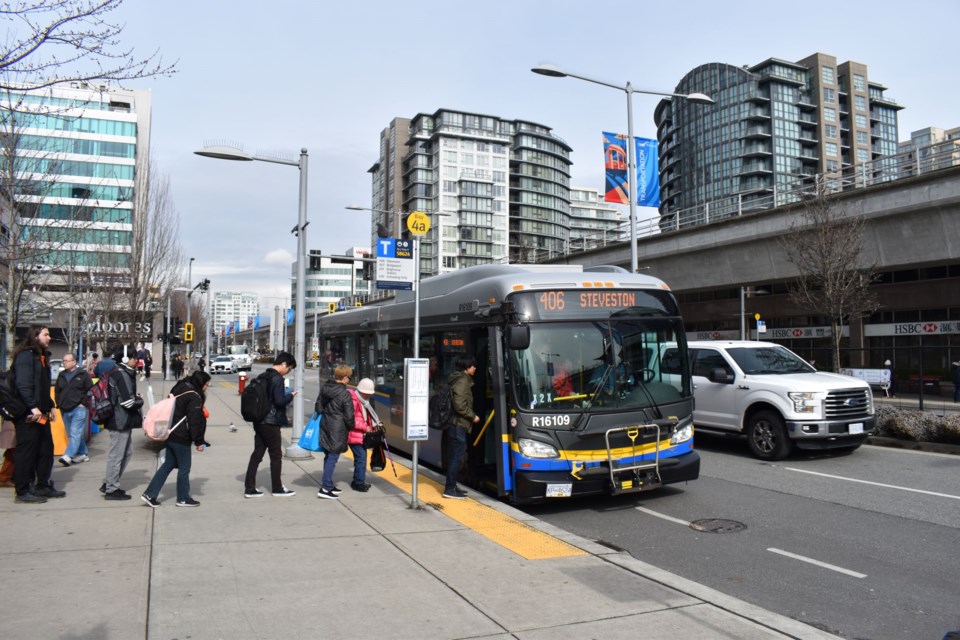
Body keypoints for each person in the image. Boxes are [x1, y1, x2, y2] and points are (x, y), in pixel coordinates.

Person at [141, 371, 211, 508]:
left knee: (167, 465)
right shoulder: (194, 397)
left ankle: (150, 494)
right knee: (184, 468)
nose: (207, 387)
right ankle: (183, 498)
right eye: (206, 384)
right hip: (181, 436)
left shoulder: (180, 388)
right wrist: (199, 441)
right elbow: (194, 421)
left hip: (170, 432)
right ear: (200, 383)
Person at [12, 326, 63, 503]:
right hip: (28, 414)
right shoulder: (26, 356)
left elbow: (42, 387)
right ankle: (23, 490)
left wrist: (50, 406)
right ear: (35, 337)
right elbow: (23, 385)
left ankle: (42, 484)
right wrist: (33, 408)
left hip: (42, 413)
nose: (49, 338)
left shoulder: (42, 357)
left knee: (45, 449)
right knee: (27, 452)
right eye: (46, 334)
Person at [243, 352, 298, 497]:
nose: (288, 371)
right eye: (289, 368)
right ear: (284, 364)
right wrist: (290, 396)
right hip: (271, 422)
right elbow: (279, 401)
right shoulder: (277, 378)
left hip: (259, 420)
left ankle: (249, 488)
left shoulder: (263, 376)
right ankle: (277, 488)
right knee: (276, 455)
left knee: (257, 454)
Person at [99, 347, 143, 501]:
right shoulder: (122, 374)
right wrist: (139, 400)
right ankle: (111, 488)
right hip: (119, 420)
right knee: (117, 455)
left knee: (126, 452)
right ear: (125, 359)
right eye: (134, 357)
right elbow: (128, 402)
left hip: (121, 419)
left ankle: (110, 482)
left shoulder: (120, 373)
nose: (136, 360)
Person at [315, 364, 355, 500]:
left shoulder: (325, 388)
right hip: (338, 429)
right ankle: (325, 488)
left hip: (325, 425)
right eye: (349, 377)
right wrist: (351, 427)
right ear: (344, 378)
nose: (349, 380)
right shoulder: (344, 394)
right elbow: (349, 416)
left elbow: (318, 407)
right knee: (333, 457)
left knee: (328, 455)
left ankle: (329, 484)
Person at [444, 356, 480, 500]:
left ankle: (452, 485)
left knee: (456, 456)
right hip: (459, 424)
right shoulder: (463, 381)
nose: (475, 368)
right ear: (467, 367)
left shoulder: (459, 379)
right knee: (456, 458)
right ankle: (449, 489)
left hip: (457, 424)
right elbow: (459, 404)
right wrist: (473, 416)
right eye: (473, 365)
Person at [55, 353, 93, 467]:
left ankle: (68, 455)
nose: (64, 363)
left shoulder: (83, 374)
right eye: (64, 360)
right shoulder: (61, 375)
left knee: (75, 432)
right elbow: (57, 391)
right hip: (64, 408)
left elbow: (90, 390)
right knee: (71, 434)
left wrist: (83, 403)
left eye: (67, 360)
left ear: (74, 362)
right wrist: (59, 403)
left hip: (79, 409)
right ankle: (83, 453)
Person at [346, 377, 378, 492]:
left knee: (361, 457)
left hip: (359, 434)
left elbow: (366, 416)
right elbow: (351, 420)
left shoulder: (364, 401)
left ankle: (359, 480)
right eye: (366, 393)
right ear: (361, 391)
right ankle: (358, 483)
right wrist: (366, 427)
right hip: (354, 434)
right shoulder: (353, 400)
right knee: (361, 457)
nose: (368, 395)